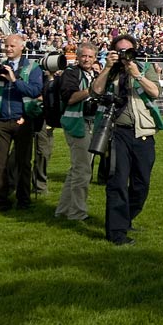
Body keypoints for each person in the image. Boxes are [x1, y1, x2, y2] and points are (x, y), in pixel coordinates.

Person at [90, 34, 163, 246]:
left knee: (142, 184)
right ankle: (116, 233)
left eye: (127, 51)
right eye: (119, 51)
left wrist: (137, 75)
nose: (123, 55)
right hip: (117, 132)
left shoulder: (145, 67)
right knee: (118, 182)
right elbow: (95, 91)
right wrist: (106, 68)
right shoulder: (109, 70)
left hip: (143, 133)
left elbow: (155, 92)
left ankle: (127, 217)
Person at [0, 34, 43, 211]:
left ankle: (23, 199)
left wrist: (14, 80)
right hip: (1, 121)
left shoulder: (32, 67)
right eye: (6, 46)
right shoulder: (0, 67)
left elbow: (35, 90)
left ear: (22, 47)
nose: (8, 49)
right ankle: (1, 199)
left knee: (23, 162)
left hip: (23, 120)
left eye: (12, 46)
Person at [54, 42, 98, 221]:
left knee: (76, 170)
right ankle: (77, 213)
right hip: (76, 123)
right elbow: (70, 98)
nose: (86, 59)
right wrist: (91, 91)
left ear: (95, 58)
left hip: (90, 123)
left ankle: (63, 210)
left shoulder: (93, 74)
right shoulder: (71, 73)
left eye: (90, 56)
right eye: (84, 56)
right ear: (78, 57)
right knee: (83, 171)